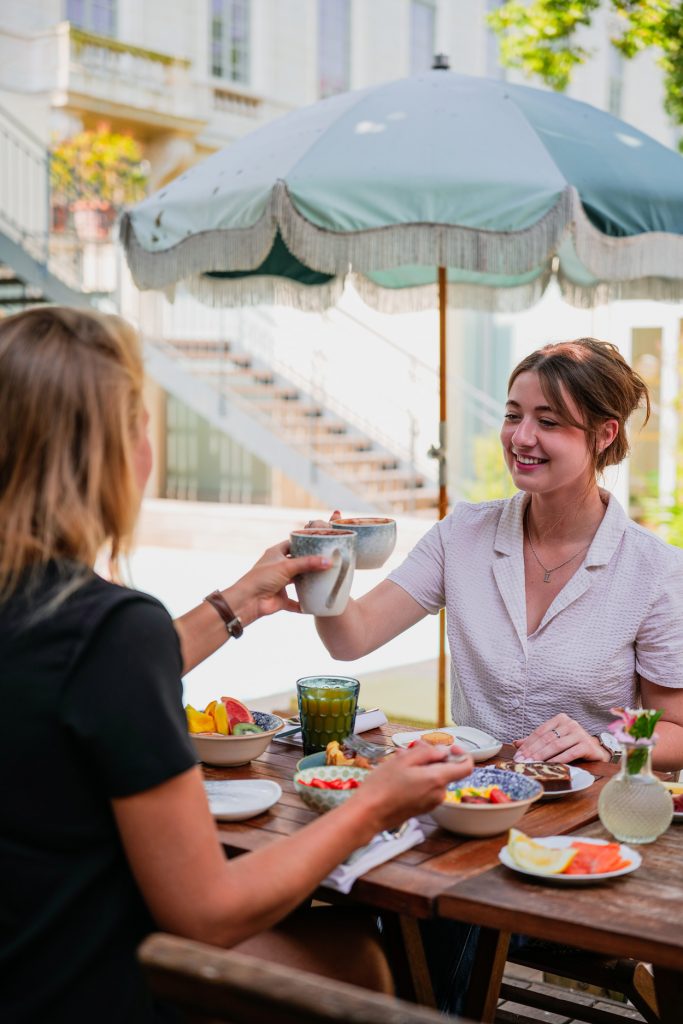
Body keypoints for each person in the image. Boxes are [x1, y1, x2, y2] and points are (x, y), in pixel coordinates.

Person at [0, 306, 474, 1024]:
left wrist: (235, 604)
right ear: (109, 451)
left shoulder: (62, 623)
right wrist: (376, 801)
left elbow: (79, 679)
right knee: (361, 956)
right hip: (86, 983)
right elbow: (206, 913)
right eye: (140, 423)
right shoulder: (108, 631)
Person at [314, 338, 683, 772]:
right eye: (513, 416)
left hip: (584, 812)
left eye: (548, 421)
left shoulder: (656, 570)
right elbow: (350, 639)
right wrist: (325, 564)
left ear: (604, 434)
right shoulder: (462, 534)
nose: (521, 437)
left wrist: (606, 743)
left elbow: (676, 728)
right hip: (469, 796)